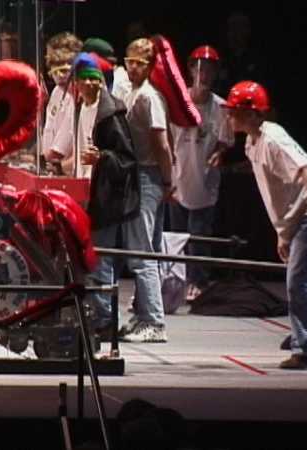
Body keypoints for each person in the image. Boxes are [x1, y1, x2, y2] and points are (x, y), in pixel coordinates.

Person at [224, 80, 307, 369]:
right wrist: (284, 235)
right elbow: (277, 192)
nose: (229, 116)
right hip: (301, 217)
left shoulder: (273, 139)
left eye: (234, 111)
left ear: (251, 113)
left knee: (300, 281)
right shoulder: (252, 142)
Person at [69, 52, 139, 336]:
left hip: (105, 197)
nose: (89, 84)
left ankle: (106, 320)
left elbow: (127, 159)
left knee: (100, 259)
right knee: (87, 258)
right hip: (83, 192)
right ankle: (96, 315)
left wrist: (101, 158)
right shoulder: (79, 108)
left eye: (94, 79)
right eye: (84, 79)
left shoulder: (111, 113)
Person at [169, 45, 234, 300]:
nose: (203, 75)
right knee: (176, 236)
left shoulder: (221, 108)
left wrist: (219, 153)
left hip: (204, 179)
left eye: (209, 70)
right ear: (190, 70)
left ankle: (199, 281)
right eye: (199, 69)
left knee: (199, 235)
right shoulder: (177, 101)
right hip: (178, 176)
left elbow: (225, 140)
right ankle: (176, 280)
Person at [119, 38, 173, 342]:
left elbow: (162, 144)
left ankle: (154, 322)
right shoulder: (133, 94)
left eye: (139, 64)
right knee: (147, 249)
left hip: (148, 176)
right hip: (139, 175)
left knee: (142, 253)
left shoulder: (149, 97)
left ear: (150, 67)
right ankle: (142, 315)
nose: (133, 68)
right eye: (129, 62)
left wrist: (168, 180)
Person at [41, 31, 82, 175]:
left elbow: (61, 147)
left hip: (68, 172)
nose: (59, 73)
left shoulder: (77, 96)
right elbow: (49, 130)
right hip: (52, 169)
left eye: (64, 66)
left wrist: (39, 160)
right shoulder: (56, 92)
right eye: (53, 64)